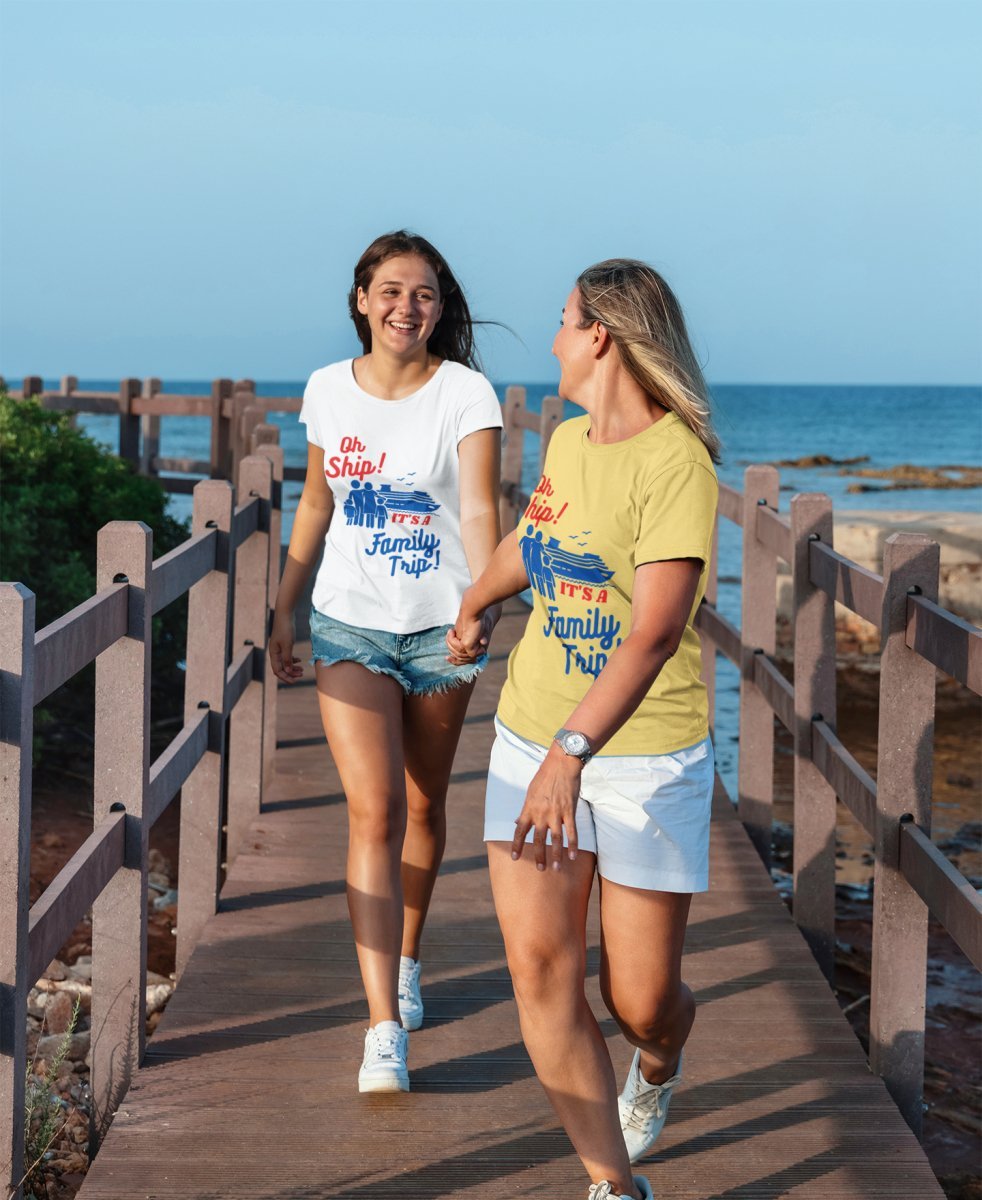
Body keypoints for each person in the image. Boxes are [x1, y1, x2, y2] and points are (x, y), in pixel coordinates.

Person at [449, 259, 720, 1200]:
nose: (555, 337)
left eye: (564, 321)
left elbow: (651, 635)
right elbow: (538, 533)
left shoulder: (677, 462)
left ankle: (657, 1062)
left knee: (639, 1001)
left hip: (641, 756)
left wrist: (574, 755)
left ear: (600, 334)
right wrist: (479, 600)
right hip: (532, 729)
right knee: (539, 968)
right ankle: (612, 1183)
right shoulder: (568, 441)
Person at [270, 231, 502, 1093]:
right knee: (373, 816)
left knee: (422, 803)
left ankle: (407, 957)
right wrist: (284, 607)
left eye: (427, 295)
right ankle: (381, 1028)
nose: (410, 307)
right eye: (394, 291)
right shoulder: (329, 390)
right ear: (362, 298)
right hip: (350, 626)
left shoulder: (465, 393)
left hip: (441, 629)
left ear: (441, 309)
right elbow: (316, 503)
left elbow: (481, 508)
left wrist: (481, 602)